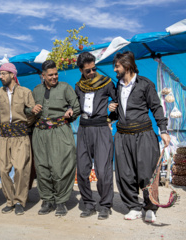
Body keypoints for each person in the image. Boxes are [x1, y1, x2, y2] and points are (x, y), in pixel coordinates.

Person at [108, 51, 170, 222]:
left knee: (146, 173)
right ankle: (134, 207)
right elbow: (119, 111)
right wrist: (111, 114)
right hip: (122, 136)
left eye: (117, 66)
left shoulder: (145, 84)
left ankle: (151, 207)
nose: (114, 69)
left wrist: (163, 130)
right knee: (125, 174)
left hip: (144, 134)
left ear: (127, 65)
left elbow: (156, 108)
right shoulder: (117, 86)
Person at [32, 60, 80, 216]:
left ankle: (61, 201)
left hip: (60, 131)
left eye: (55, 74)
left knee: (60, 168)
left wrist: (71, 112)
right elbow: (27, 109)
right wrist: (30, 109)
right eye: (50, 75)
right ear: (43, 75)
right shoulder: (36, 90)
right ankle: (47, 200)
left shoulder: (65, 87)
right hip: (40, 133)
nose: (54, 77)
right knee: (42, 168)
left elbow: (76, 106)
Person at [74, 52, 117, 220]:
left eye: (93, 69)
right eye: (88, 71)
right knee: (83, 170)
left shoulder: (106, 83)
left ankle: (105, 205)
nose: (92, 73)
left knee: (103, 170)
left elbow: (118, 102)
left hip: (101, 129)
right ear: (81, 70)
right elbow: (75, 107)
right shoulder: (78, 87)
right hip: (83, 129)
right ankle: (88, 204)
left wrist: (110, 118)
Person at [0, 63, 37, 215]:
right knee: (3, 170)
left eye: (3, 74)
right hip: (4, 137)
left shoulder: (25, 92)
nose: (1, 77)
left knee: (20, 169)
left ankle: (19, 201)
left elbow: (33, 112)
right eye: (0, 74)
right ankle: (10, 200)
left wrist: (24, 125)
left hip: (20, 136)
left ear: (12, 75)